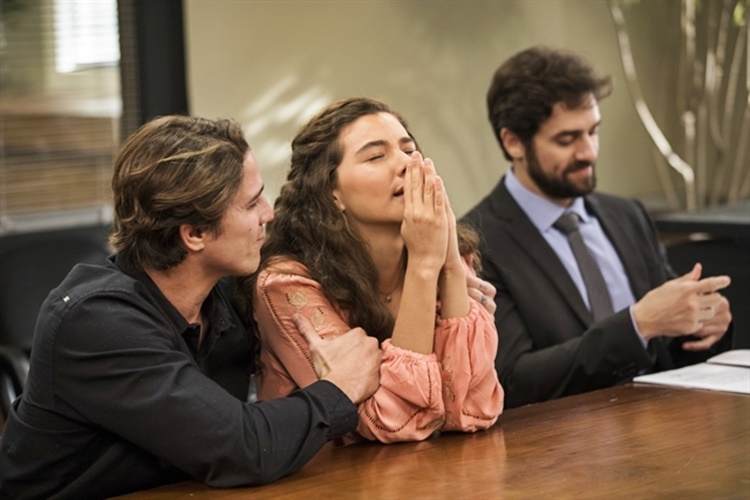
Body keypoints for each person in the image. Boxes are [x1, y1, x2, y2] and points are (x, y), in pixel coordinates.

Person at [0, 115, 382, 499]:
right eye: (252, 203)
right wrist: (339, 388)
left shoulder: (224, 293)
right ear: (195, 234)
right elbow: (243, 448)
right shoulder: (96, 321)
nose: (268, 214)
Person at [461, 46, 733, 408]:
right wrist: (637, 324)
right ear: (513, 142)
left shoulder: (627, 215)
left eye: (593, 132)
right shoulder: (477, 243)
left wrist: (705, 324)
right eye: (567, 139)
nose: (588, 151)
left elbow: (668, 349)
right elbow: (511, 379)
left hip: (666, 421)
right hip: (561, 437)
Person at [237, 97, 504, 444]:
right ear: (331, 192)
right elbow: (393, 423)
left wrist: (451, 263)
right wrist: (424, 267)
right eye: (376, 156)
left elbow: (471, 411)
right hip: (326, 473)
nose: (406, 164)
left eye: (409, 150)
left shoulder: (444, 257)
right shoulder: (287, 284)